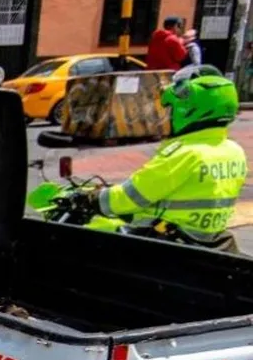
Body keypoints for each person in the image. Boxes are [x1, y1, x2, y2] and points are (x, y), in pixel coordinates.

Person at [99, 65, 246, 251]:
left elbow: (129, 197)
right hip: (204, 241)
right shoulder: (234, 151)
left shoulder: (185, 154)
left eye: (172, 109)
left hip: (163, 243)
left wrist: (94, 198)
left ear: (189, 110)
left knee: (97, 228)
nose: (168, 116)